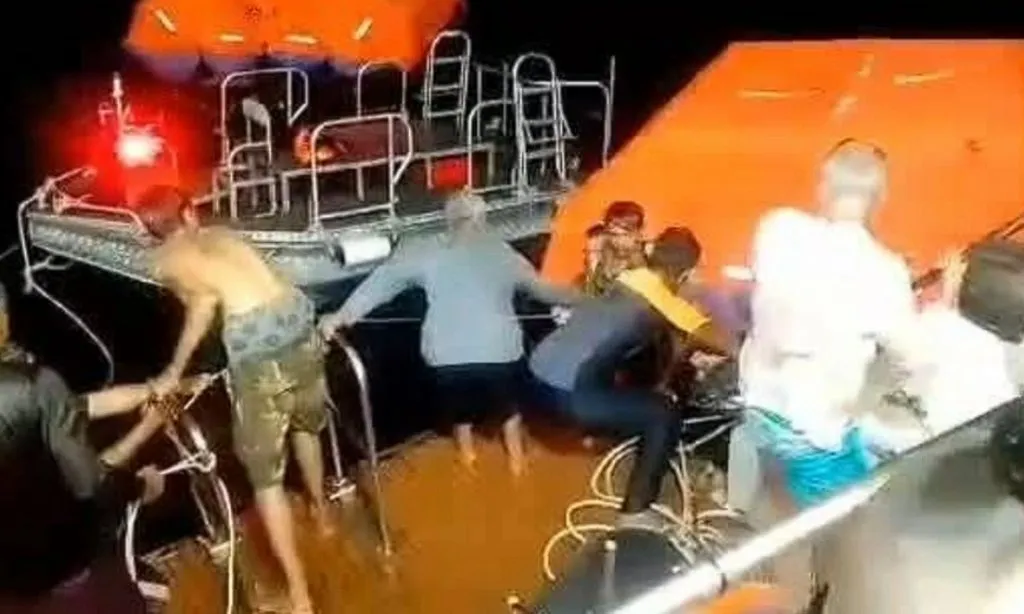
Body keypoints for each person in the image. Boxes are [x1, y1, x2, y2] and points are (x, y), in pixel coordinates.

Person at [139, 185, 332, 614]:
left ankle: (299, 599)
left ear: (150, 231)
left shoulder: (164, 261)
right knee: (305, 426)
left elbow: (200, 311)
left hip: (259, 345)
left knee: (266, 481)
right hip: (298, 316)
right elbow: (224, 292)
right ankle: (322, 514)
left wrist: (173, 372)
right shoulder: (222, 234)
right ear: (190, 213)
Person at [319, 191, 579, 474]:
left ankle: (467, 457)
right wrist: (584, 296)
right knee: (510, 412)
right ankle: (517, 460)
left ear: (448, 220)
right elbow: (544, 291)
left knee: (460, 415)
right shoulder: (504, 253)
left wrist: (341, 316)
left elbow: (381, 283)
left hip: (446, 359)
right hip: (501, 354)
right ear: (482, 218)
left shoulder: (424, 251)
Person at [529, 226, 737, 527]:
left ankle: (624, 453)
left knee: (630, 387)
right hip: (567, 394)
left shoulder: (630, 278)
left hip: (535, 376)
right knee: (663, 412)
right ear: (686, 274)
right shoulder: (662, 299)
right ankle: (635, 512)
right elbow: (723, 341)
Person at [0, 282, 171, 613]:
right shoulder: (36, 383)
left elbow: (72, 406)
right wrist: (142, 481)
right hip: (56, 573)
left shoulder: (28, 388)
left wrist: (151, 390)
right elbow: (93, 487)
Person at [582, 201, 649, 297]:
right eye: (611, 233)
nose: (617, 241)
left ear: (637, 233)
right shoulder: (600, 259)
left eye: (625, 233)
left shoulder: (647, 264)